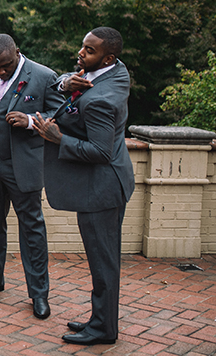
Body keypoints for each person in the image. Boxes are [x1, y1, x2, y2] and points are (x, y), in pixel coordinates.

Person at [33, 27, 134, 345]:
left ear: (108, 57)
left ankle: (104, 330)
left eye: (89, 51)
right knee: (102, 260)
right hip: (105, 185)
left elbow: (100, 152)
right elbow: (66, 79)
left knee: (103, 263)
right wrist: (65, 82)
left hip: (101, 190)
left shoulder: (102, 100)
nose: (81, 53)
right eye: (83, 47)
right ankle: (98, 318)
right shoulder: (114, 71)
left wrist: (58, 137)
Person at [0, 34, 64, 320]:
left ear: (17, 53)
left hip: (24, 165)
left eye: (5, 66)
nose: (0, 71)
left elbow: (60, 115)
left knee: (32, 230)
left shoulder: (44, 76)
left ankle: (38, 294)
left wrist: (31, 121)